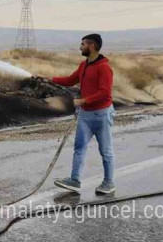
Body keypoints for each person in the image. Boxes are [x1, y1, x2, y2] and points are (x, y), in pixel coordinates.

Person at [47, 33, 116, 194]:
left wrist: (84, 101)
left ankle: (109, 182)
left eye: (83, 44)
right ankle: (75, 180)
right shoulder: (83, 65)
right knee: (79, 148)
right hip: (85, 115)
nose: (80, 47)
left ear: (92, 46)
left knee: (105, 150)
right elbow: (70, 80)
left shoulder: (104, 68)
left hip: (102, 114)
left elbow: (105, 93)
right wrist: (51, 79)